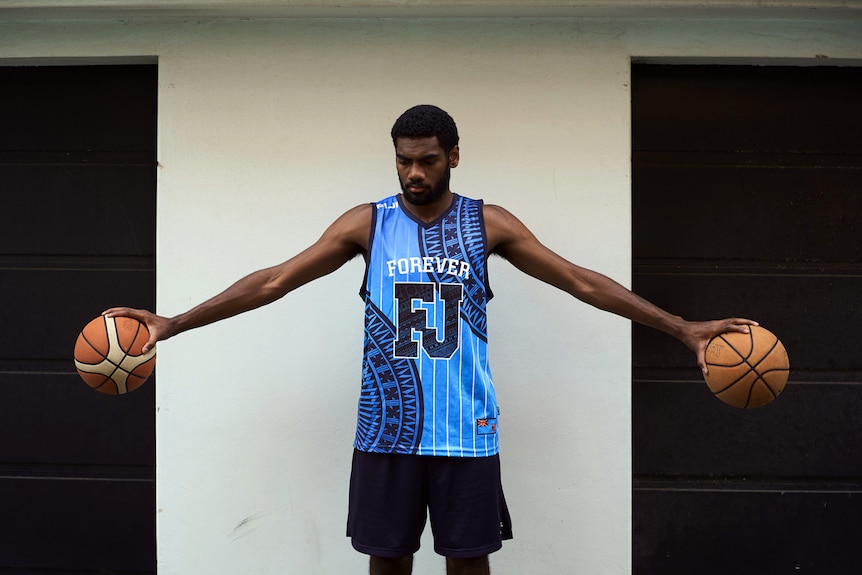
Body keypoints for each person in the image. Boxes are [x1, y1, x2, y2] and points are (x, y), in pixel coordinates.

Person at [106, 104, 755, 575]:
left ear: (454, 155)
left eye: (427, 160)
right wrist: (172, 322)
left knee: (468, 564)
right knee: (388, 562)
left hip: (467, 430)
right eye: (403, 160)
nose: (414, 173)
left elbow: (582, 282)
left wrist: (682, 328)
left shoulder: (487, 223)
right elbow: (275, 279)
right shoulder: (367, 224)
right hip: (386, 430)